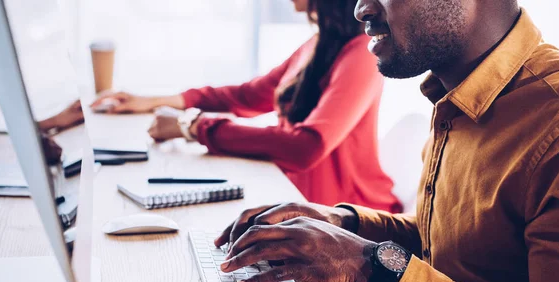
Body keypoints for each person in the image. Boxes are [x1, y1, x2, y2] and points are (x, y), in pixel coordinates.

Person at [212, 1, 559, 282]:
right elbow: (453, 240)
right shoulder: (458, 94)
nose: (361, 8)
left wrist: (372, 264)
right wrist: (340, 223)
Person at [91, 0, 402, 212]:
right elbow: (248, 95)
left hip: (349, 220)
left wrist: (193, 127)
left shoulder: (362, 54)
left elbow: (307, 147)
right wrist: (156, 100)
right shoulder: (318, 45)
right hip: (300, 204)